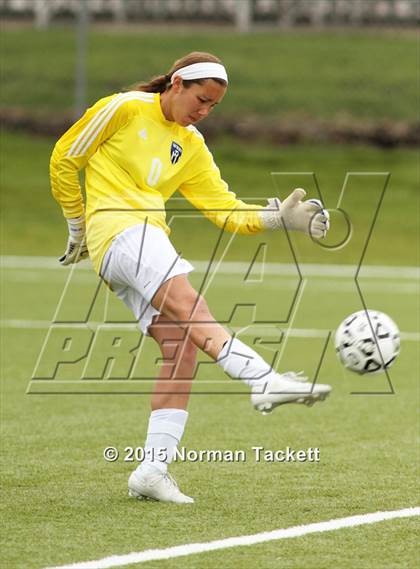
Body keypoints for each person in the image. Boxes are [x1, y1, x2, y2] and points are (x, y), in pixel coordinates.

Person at [50, 51, 331, 505]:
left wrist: (277, 218)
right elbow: (65, 157)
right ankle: (262, 379)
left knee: (179, 347)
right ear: (176, 83)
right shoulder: (123, 107)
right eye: (200, 99)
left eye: (213, 106)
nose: (204, 111)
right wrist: (77, 224)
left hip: (134, 242)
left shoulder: (192, 144)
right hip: (121, 231)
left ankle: (151, 471)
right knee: (190, 305)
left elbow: (223, 209)